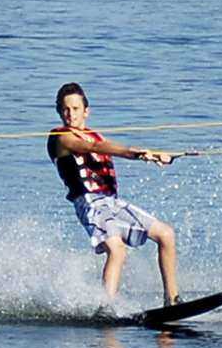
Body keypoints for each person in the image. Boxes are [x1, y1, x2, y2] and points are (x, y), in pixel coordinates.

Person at [47, 83, 181, 308]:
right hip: (89, 203)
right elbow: (97, 148)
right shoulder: (60, 138)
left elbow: (102, 144)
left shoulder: (95, 136)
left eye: (75, 109)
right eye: (65, 109)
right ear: (60, 112)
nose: (70, 114)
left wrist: (155, 155)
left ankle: (173, 300)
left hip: (112, 203)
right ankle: (106, 307)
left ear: (86, 111)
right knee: (116, 249)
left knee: (166, 234)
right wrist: (131, 153)